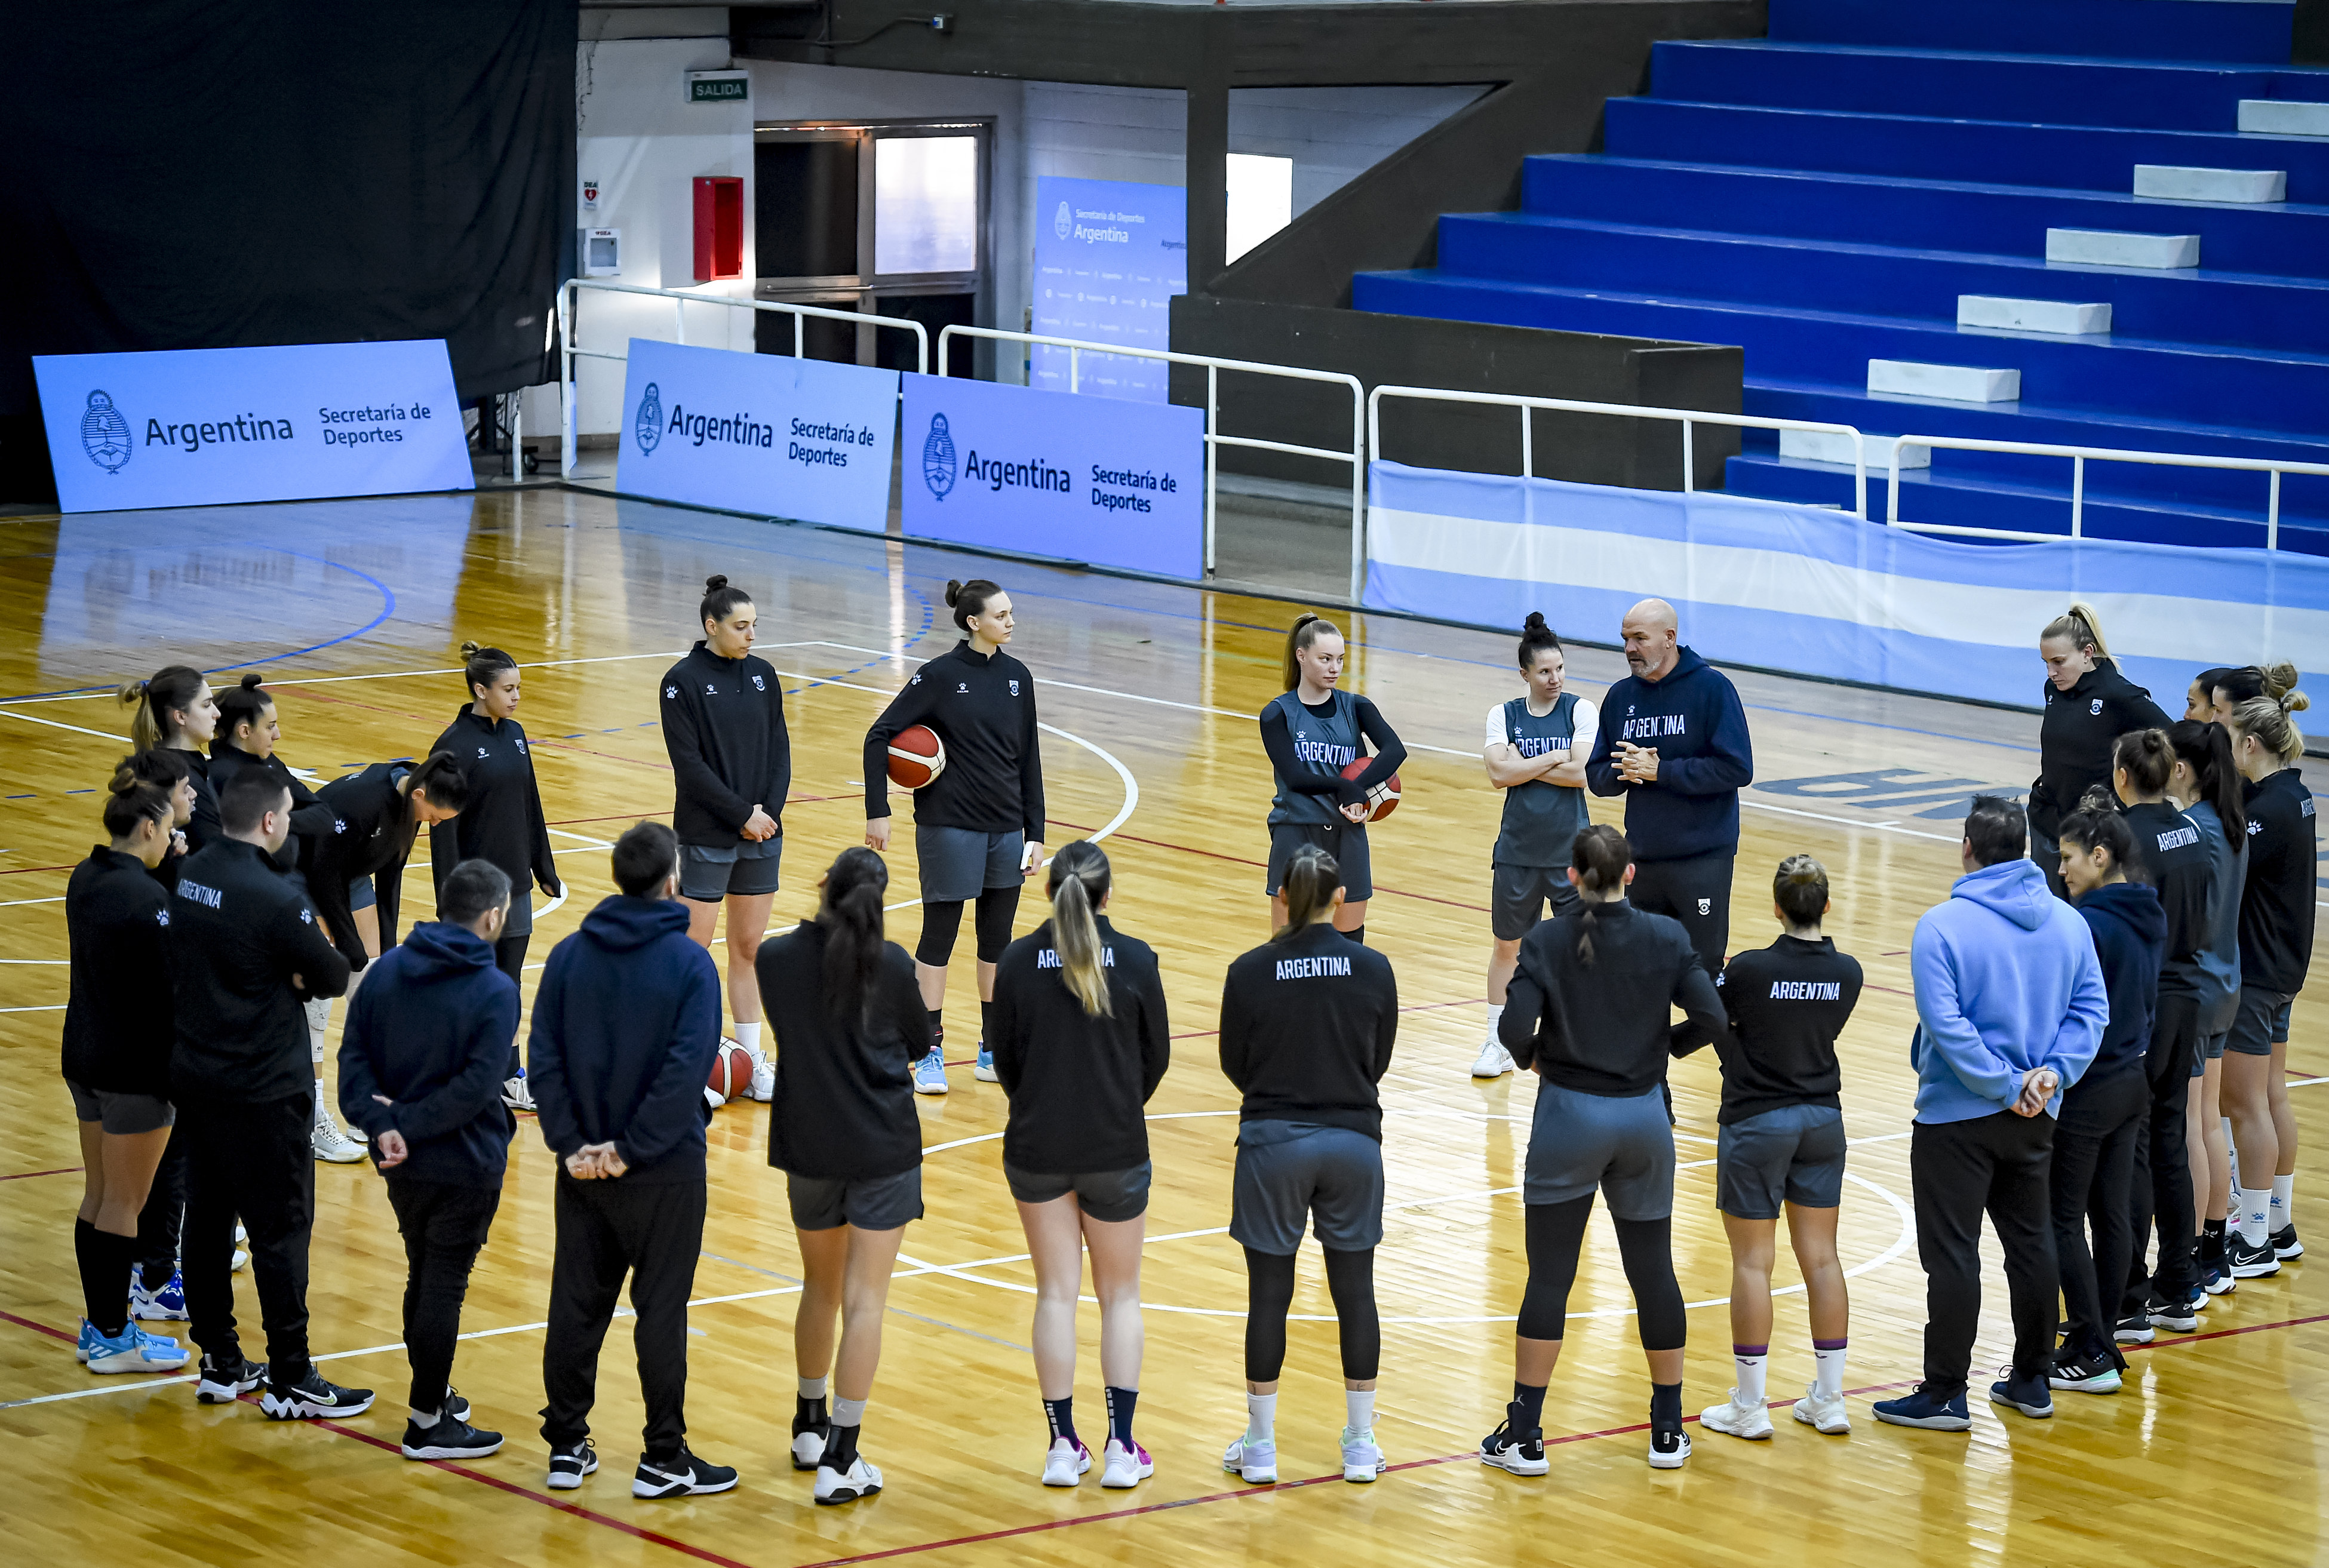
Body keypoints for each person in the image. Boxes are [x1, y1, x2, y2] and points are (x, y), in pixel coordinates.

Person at [1485, 825, 1726, 1474]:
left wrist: (1535, 1059)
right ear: (1632, 874)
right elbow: (1713, 1018)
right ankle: (1668, 1430)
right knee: (1653, 1272)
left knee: (1551, 1277)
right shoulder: (1667, 936)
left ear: (1571, 876)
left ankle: (1527, 1434)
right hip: (1645, 1117)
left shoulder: (1548, 938)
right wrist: (1663, 1052)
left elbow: (1512, 1026)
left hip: (1569, 1113)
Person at [1873, 797, 2106, 1432]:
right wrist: (2050, 1075)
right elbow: (2092, 1012)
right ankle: (2032, 1379)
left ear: (1967, 848)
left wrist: (2003, 1084)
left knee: (1953, 1255)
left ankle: (1947, 1391)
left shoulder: (1942, 926)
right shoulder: (2068, 923)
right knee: (2030, 1245)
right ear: (2028, 851)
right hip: (2038, 1111)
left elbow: (1947, 1028)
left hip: (1956, 1117)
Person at [529, 820, 734, 1499]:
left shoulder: (566, 956)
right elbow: (683, 1076)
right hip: (664, 1169)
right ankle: (663, 1456)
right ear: (671, 880)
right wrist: (630, 1149)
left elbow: (543, 1064)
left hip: (581, 1169)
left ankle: (565, 1444)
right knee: (661, 1308)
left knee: (576, 1303)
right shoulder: (689, 964)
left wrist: (573, 1147)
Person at [167, 769, 367, 1418]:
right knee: (281, 1230)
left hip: (197, 1075)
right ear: (273, 823)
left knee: (207, 1219)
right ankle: (290, 1373)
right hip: (264, 1086)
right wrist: (292, 974)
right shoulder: (275, 895)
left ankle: (220, 1360)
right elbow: (335, 971)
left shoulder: (191, 873)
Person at [990, 841, 1170, 1489]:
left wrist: (1040, 1103)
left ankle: (1063, 1447)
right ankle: (1121, 1448)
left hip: (1038, 1146)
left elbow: (1004, 1059)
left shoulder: (1014, 961)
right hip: (1114, 1146)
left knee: (1056, 1294)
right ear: (1106, 894)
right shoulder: (1140, 958)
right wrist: (1118, 1103)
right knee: (1120, 1295)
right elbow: (1158, 1058)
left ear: (1050, 892)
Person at [756, 847, 932, 1506]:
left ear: (823, 883)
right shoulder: (890, 965)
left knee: (820, 1287)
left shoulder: (774, 959)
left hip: (808, 1144)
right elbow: (919, 1043)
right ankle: (842, 1456)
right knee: (867, 1302)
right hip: (881, 1146)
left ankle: (808, 1423)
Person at [1217, 846, 1399, 1486]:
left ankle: (1261, 1446)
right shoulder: (1375, 969)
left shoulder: (1248, 970)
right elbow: (1378, 1059)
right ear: (1341, 899)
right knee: (1356, 1293)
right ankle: (1359, 1443)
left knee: (1269, 1294)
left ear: (1285, 899)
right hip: (1353, 1141)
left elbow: (1233, 1064)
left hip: (1273, 1143)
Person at [337, 858, 521, 1461]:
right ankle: (426, 1418)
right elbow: (476, 1089)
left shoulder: (386, 971)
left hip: (400, 1163)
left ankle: (434, 1394)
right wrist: (407, 1126)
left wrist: (385, 1125)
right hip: (464, 1161)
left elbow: (352, 1066)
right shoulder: (495, 989)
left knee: (424, 1271)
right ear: (492, 916)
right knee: (444, 1282)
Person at [1677, 855, 1861, 1441]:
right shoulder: (1849, 972)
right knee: (1823, 1259)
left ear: (1777, 906)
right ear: (1826, 906)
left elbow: (1710, 1023)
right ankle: (1830, 1400)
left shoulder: (1751, 971)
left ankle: (1751, 1407)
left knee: (1754, 1263)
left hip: (1758, 1123)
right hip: (1822, 1120)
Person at [862, 578, 1046, 1095]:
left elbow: (1029, 756)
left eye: (1011, 613)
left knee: (997, 944)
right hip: (950, 827)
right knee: (939, 940)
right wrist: (880, 811)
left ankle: (992, 1049)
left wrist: (1036, 832)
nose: (1011, 622)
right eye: (1002, 615)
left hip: (1007, 829)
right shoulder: (938, 676)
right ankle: (929, 1050)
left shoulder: (1017, 677)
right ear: (973, 622)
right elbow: (879, 735)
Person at [63, 773, 193, 1375]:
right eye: (168, 830)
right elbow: (174, 982)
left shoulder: (86, 878)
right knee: (125, 1204)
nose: (173, 839)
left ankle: (100, 1326)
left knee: (97, 1195)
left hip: (85, 1055)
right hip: (136, 1069)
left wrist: (161, 877)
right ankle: (115, 1337)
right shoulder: (149, 903)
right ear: (148, 827)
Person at [210, 672, 367, 1163]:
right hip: (258, 912)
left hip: (288, 900)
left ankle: (308, 1121)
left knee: (312, 1018)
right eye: (271, 726)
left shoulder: (268, 763)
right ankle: (300, 1126)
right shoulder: (223, 777)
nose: (278, 735)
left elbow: (322, 812)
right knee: (292, 1021)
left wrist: (282, 824)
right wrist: (286, 829)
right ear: (243, 730)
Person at [659, 577, 789, 1103]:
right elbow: (688, 765)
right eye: (741, 626)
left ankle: (752, 1058)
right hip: (707, 833)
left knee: (749, 948)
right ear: (712, 626)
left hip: (763, 832)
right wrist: (741, 815)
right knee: (694, 951)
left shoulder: (763, 675)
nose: (751, 635)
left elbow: (780, 748)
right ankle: (697, 1059)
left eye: (755, 625)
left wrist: (768, 814)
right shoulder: (681, 682)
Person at [2050, 806, 2163, 1394]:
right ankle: (2099, 1335)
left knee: (2061, 1218)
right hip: (2133, 1080)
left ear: (2100, 856)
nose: (2061, 868)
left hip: (2091, 1086)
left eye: (2069, 856)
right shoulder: (2148, 909)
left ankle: (2092, 1343)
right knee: (2114, 1214)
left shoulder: (2086, 923)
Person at [1583, 598, 1753, 981]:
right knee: (1641, 971)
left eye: (1640, 638)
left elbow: (1738, 767)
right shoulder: (1621, 697)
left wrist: (1664, 772)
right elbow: (1598, 777)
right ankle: (1652, 1044)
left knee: (1702, 972)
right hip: (1643, 860)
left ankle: (1696, 1042)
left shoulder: (1712, 689)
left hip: (1703, 859)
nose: (1630, 649)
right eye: (1626, 639)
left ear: (1669, 638)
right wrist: (1622, 772)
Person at [2110, 730, 2211, 1332]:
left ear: (2124, 776)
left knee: (2134, 1151)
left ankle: (2129, 1295)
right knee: (2170, 1139)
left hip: (2146, 1001)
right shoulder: (2191, 831)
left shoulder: (2124, 841)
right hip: (2187, 995)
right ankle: (2178, 1282)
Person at [1476, 613, 1599, 1079]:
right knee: (1507, 949)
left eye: (1560, 669)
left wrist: (1521, 762)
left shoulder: (1581, 710)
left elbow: (1582, 773)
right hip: (1517, 853)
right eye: (1545, 672)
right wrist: (1553, 756)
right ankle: (1498, 1042)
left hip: (1571, 857)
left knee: (1580, 950)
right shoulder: (1502, 714)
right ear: (1524, 674)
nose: (1555, 679)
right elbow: (1496, 775)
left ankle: (1577, 1041)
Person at [2222, 690, 2313, 1274]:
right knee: (2272, 1094)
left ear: (2249, 743)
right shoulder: (2294, 795)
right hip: (2284, 967)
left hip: (2255, 972)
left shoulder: (2269, 811)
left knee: (2243, 1102)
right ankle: (2278, 1224)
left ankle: (2252, 1237)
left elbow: (2225, 868)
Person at [1256, 614, 1406, 957]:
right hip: (1295, 830)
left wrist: (1358, 787)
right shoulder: (1277, 714)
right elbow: (1294, 778)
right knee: (1287, 946)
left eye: (1340, 659)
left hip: (1347, 832)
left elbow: (1395, 751)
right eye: (1325, 659)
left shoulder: (1357, 707)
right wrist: (1345, 786)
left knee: (1348, 946)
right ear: (1301, 656)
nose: (1334, 668)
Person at [2165, 718, 2246, 1303]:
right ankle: (2214, 1250)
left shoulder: (2192, 828)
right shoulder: (2231, 821)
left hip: (2196, 985)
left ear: (2183, 767)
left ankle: (2189, 1257)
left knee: (2191, 1124)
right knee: (2210, 1120)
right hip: (2228, 980)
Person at [429, 644, 560, 987]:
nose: (516, 697)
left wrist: (543, 867)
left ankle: (511, 1045)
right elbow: (443, 831)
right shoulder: (453, 747)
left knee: (509, 982)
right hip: (476, 892)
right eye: (508, 689)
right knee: (473, 983)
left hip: (517, 884)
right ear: (481, 690)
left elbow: (530, 804)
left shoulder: (516, 735)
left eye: (518, 688)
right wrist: (448, 899)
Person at [2027, 604, 2171, 897]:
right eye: (2046, 663)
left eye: (2058, 662)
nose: (2051, 672)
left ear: (2087, 653)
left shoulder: (2119, 695)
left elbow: (2172, 738)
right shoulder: (2053, 689)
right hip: (2048, 823)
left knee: (2085, 920)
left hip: (2091, 834)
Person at [300, 751, 471, 976]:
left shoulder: (412, 798)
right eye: (433, 817)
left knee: (374, 962)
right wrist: (346, 938)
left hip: (351, 872)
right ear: (418, 795)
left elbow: (391, 871)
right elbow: (325, 876)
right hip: (307, 872)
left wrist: (389, 946)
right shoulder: (364, 805)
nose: (435, 824)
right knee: (322, 965)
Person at [119, 665, 222, 853]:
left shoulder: (159, 760)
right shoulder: (184, 778)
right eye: (206, 705)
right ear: (181, 716)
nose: (217, 714)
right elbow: (214, 852)